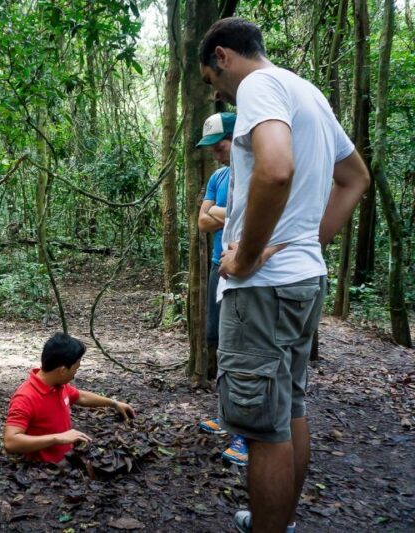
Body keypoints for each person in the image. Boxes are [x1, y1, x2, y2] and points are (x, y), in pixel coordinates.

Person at [199, 18, 370, 532]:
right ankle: (279, 521)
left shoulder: (259, 85)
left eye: (212, 80)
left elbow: (276, 169)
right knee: (288, 409)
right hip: (301, 281)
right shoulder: (309, 93)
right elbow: (354, 177)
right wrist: (309, 242)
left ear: (223, 56)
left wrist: (246, 256)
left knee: (262, 428)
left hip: (264, 289)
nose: (219, 93)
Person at [194, 112, 248, 467]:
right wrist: (233, 214)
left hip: (249, 271)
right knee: (222, 343)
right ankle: (227, 416)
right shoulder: (218, 177)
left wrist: (220, 212)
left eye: (220, 145)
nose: (215, 153)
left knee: (246, 349)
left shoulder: (255, 171)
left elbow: (254, 217)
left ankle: (246, 432)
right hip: (219, 267)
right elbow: (202, 221)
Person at [3, 333, 136, 463]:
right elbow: (11, 442)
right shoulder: (25, 398)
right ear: (62, 371)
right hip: (43, 470)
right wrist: (57, 438)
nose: (75, 374)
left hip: (68, 460)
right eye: (75, 369)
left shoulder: (58, 384)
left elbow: (81, 396)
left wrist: (114, 403)